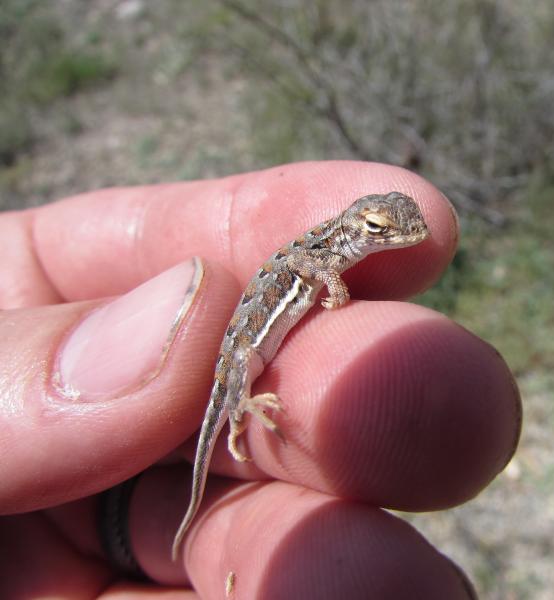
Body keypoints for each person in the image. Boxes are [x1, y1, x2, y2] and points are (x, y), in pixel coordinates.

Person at [0, 161, 520, 598]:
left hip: (79, 532)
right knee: (233, 387)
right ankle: (238, 413)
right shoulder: (325, 249)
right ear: (358, 228)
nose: (400, 236)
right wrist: (332, 286)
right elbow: (299, 261)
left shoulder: (342, 243)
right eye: (384, 228)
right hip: (248, 342)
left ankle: (208, 462)